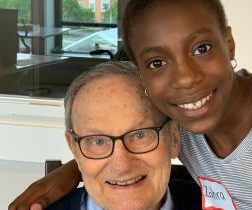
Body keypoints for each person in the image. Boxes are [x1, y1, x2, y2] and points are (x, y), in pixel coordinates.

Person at [10, 0, 252, 209]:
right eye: (157, 63)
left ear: (228, 43)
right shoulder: (181, 124)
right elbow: (128, 150)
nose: (185, 79)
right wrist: (72, 172)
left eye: (201, 48)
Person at [46, 61, 201, 210]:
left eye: (140, 135)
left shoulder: (221, 203)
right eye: (98, 141)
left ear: (174, 137)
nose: (122, 166)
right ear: (75, 150)